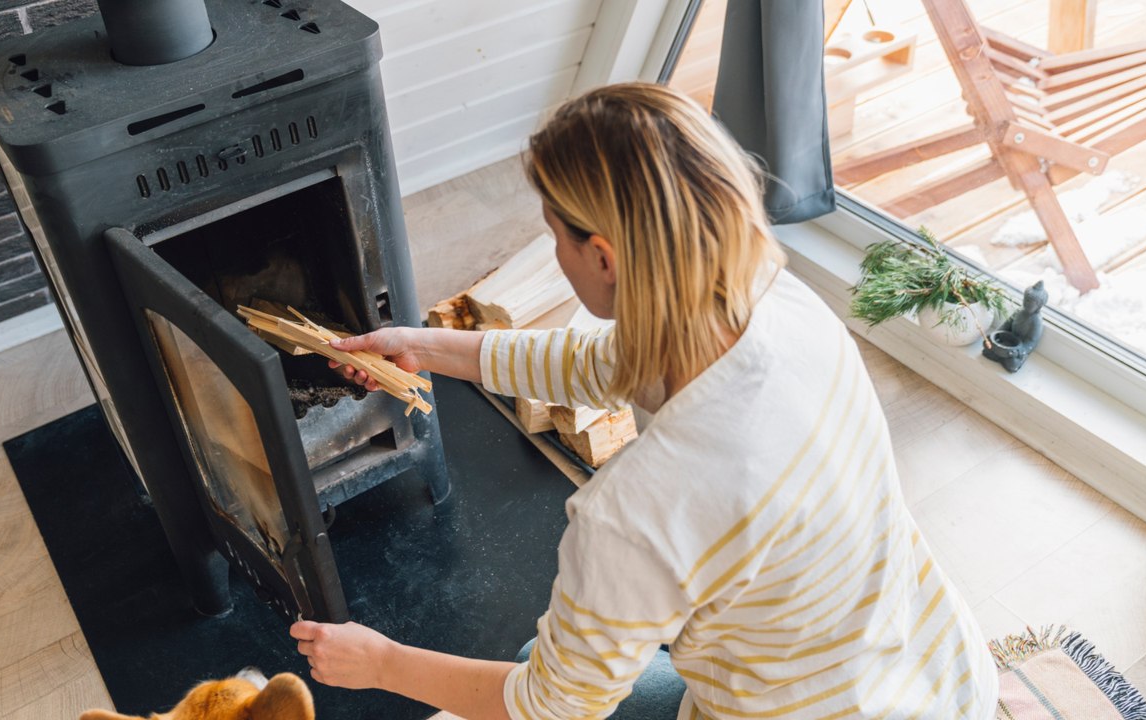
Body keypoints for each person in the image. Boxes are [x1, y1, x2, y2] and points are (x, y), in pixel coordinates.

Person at [291, 82, 997, 720]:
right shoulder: (777, 301)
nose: (556, 254)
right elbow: (604, 363)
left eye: (553, 236)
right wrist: (427, 348)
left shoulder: (640, 510)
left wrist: (379, 663)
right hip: (936, 672)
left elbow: (551, 711)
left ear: (603, 256)